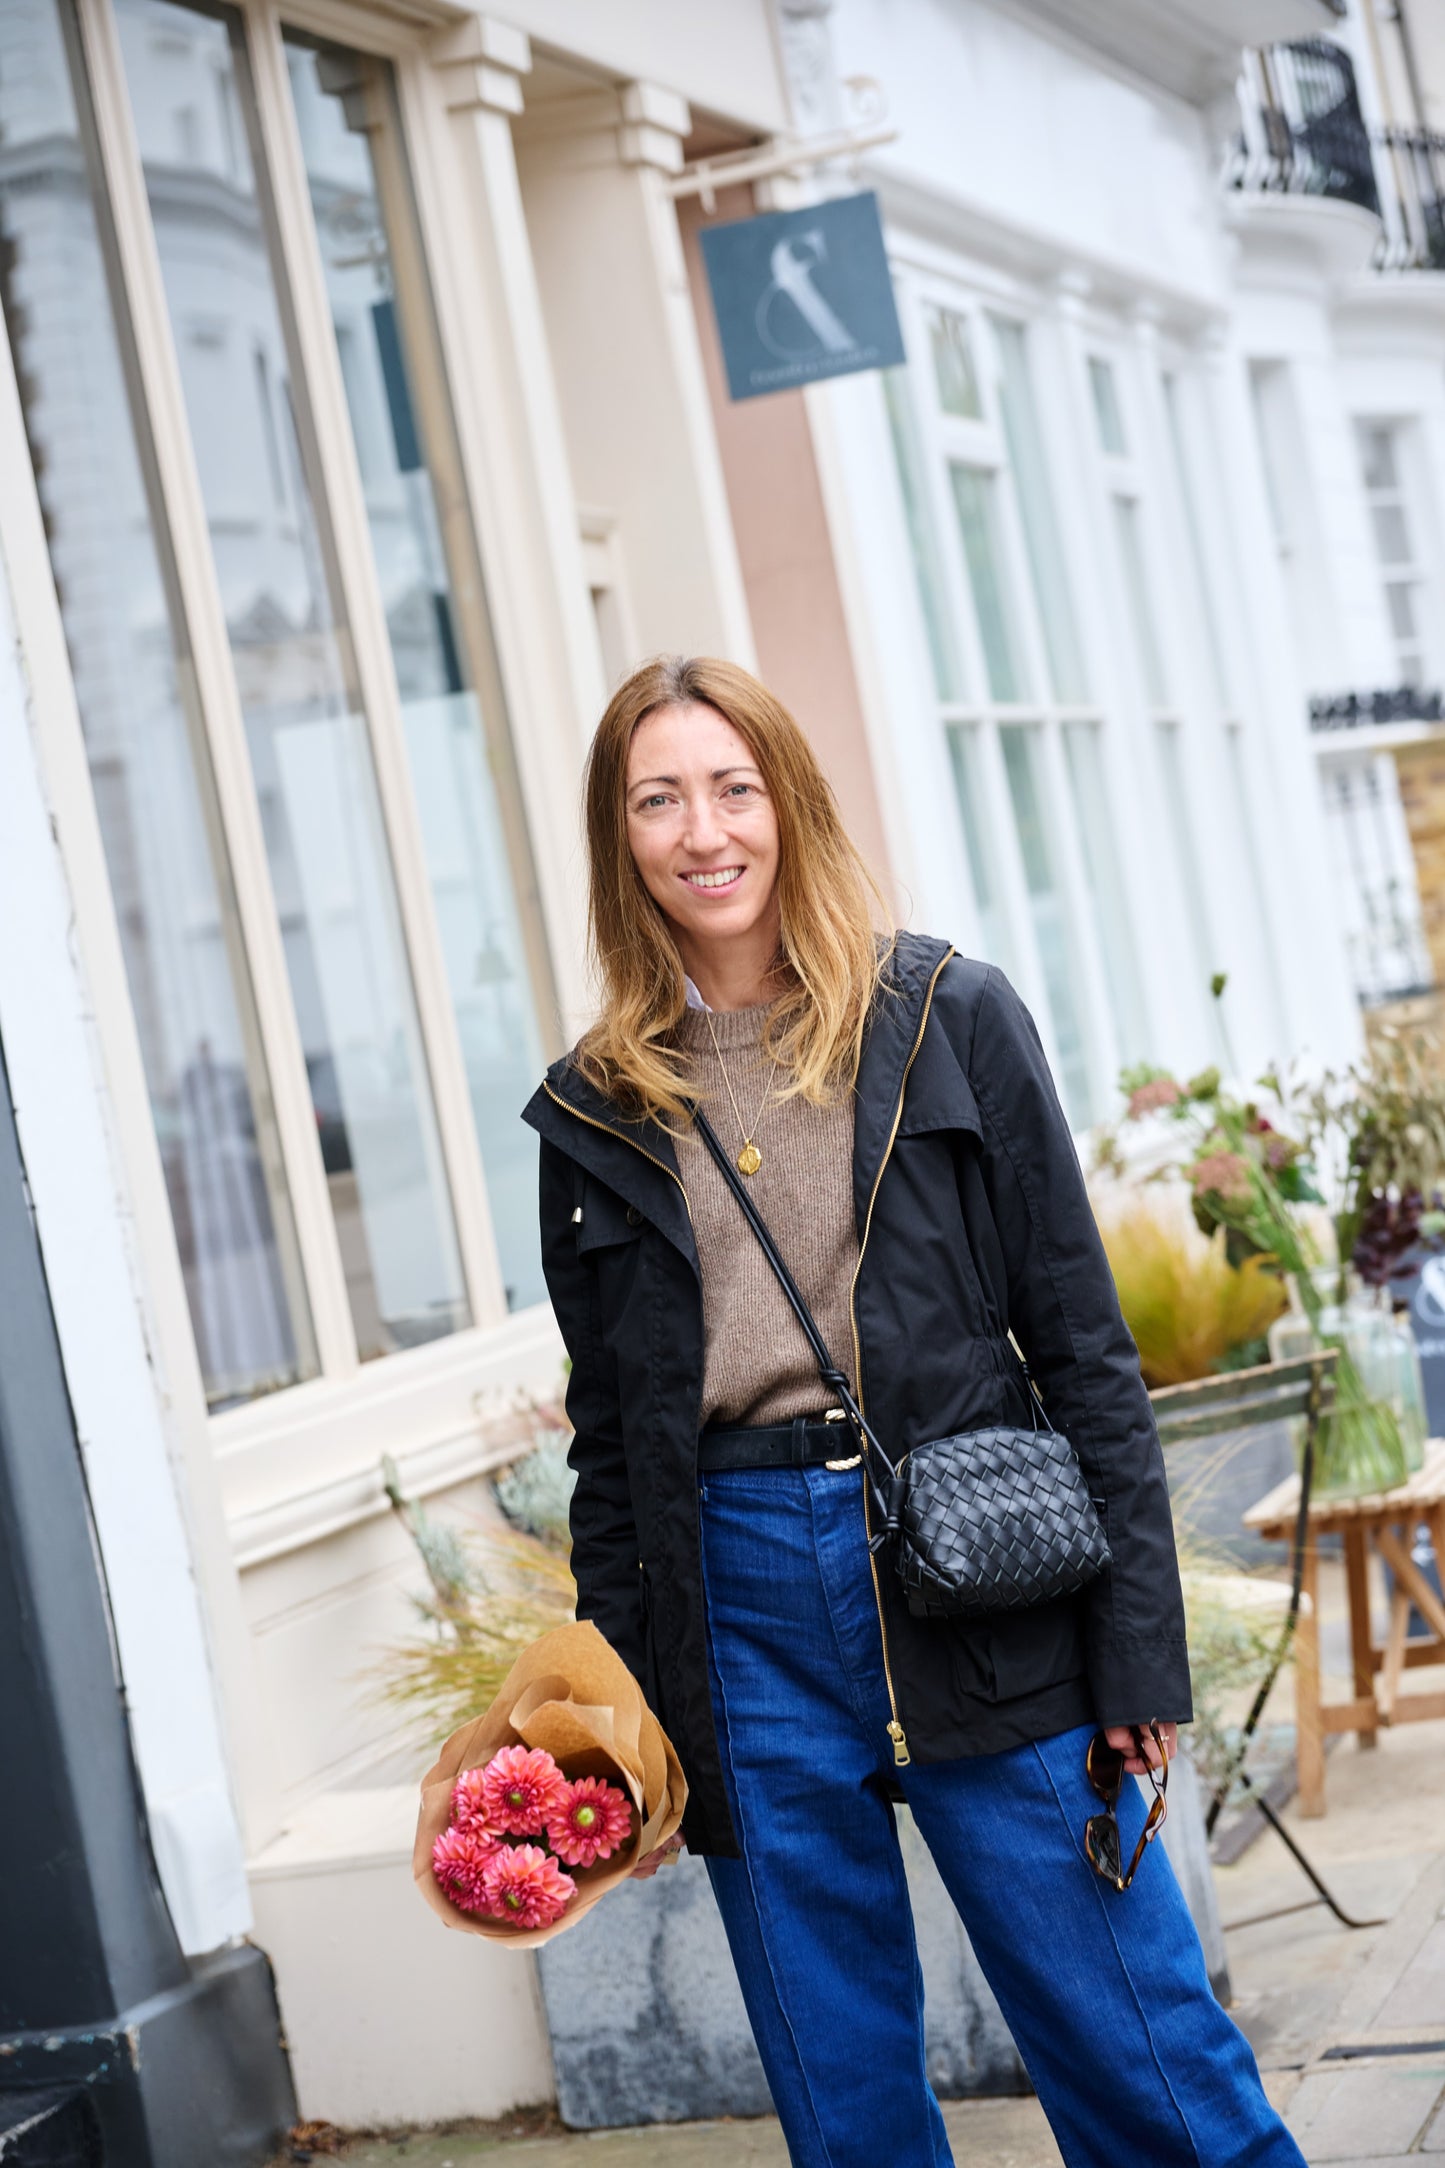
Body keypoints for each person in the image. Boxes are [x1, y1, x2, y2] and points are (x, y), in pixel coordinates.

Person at [522, 655, 1303, 2168]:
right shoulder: (594, 1108)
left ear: (791, 802)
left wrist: (1134, 1650)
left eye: (733, 788)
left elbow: (1083, 1350)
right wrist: (619, 1724)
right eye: (659, 800)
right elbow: (611, 1450)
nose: (703, 832)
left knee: (1143, 2050)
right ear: (619, 839)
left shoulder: (944, 1015)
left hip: (975, 1567)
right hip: (733, 1604)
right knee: (845, 2101)